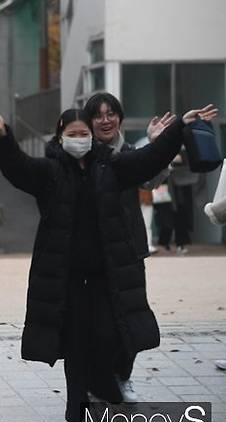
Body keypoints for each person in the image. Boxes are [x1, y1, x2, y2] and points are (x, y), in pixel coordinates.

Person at [0, 103, 218, 422]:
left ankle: (104, 383)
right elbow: (17, 168)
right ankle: (78, 409)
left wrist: (178, 129)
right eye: (72, 134)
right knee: (75, 344)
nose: (79, 139)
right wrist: (2, 135)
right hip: (67, 277)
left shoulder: (111, 166)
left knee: (109, 334)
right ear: (60, 137)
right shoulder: (49, 172)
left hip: (107, 274)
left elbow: (150, 159)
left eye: (84, 134)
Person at [82, 93, 176, 402]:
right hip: (93, 254)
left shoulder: (133, 152)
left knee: (130, 318)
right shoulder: (82, 158)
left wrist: (157, 146)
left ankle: (122, 377)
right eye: (98, 115)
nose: (106, 120)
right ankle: (97, 379)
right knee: (98, 325)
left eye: (111, 114)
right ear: (89, 121)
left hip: (129, 250)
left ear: (120, 118)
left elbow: (151, 181)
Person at [155, 150, 197, 254]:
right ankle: (165, 244)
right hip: (167, 194)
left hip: (179, 193)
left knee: (180, 218)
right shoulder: (160, 153)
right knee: (167, 221)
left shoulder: (183, 152)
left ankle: (180, 245)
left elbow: (188, 168)